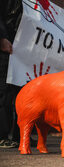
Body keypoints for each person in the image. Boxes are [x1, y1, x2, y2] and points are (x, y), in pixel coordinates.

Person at [0, 0, 23, 148]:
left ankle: (21, 136)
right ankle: (2, 135)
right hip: (6, 46)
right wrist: (1, 37)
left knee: (22, 93)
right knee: (4, 92)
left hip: (22, 51)